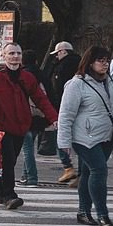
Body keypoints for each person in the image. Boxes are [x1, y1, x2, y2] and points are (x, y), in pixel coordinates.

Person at [57, 42, 113, 226]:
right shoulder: (76, 84)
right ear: (90, 63)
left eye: (106, 61)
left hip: (107, 135)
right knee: (99, 171)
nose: (104, 64)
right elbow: (66, 114)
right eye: (100, 61)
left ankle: (83, 211)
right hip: (84, 137)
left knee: (88, 173)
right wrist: (63, 142)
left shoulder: (112, 82)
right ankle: (103, 215)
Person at [0, 41, 57, 210]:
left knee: (9, 163)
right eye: (11, 53)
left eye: (18, 53)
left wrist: (54, 118)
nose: (15, 56)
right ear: (4, 57)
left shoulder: (27, 78)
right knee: (9, 159)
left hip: (21, 127)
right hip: (1, 128)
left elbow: (41, 99)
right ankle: (10, 195)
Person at [40, 41, 80, 184]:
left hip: (63, 107)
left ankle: (68, 167)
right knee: (80, 139)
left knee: (61, 137)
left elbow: (57, 89)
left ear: (63, 51)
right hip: (80, 108)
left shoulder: (62, 67)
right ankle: (81, 172)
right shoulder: (82, 64)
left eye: (57, 53)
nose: (56, 56)